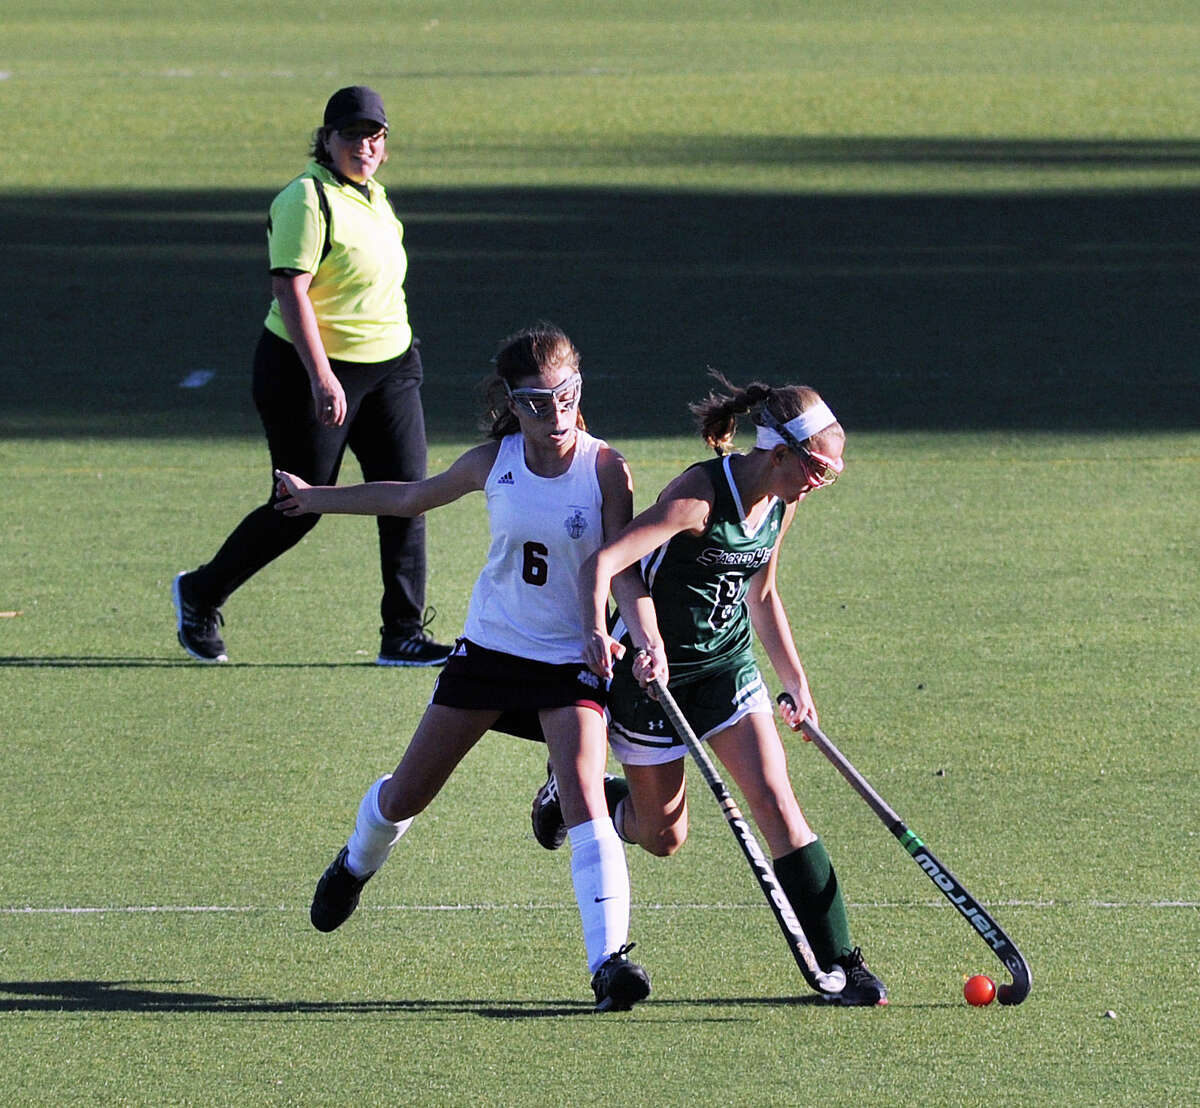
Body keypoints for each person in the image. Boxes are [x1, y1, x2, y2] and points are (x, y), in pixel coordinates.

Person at [274, 324, 652, 1012]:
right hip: (488, 655)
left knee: (586, 798)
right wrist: (314, 495)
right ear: (513, 401)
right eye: (537, 401)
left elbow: (622, 569)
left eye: (567, 395)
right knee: (406, 796)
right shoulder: (493, 461)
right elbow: (410, 497)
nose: (556, 413)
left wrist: (635, 637)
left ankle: (610, 961)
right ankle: (355, 863)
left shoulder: (606, 470)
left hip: (570, 664)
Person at [533, 372, 888, 1006]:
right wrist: (635, 639)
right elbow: (609, 565)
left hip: (726, 671)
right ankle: (578, 799)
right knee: (664, 837)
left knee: (779, 805)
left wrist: (795, 682)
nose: (820, 482)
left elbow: (763, 592)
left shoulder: (784, 499)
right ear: (779, 452)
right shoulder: (697, 499)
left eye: (830, 474)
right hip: (654, 679)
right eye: (818, 469)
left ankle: (841, 963)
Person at [172, 85, 451, 667]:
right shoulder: (305, 198)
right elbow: (289, 289)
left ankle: (401, 633)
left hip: (392, 366)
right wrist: (323, 376)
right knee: (302, 503)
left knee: (407, 496)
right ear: (326, 140)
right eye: (352, 135)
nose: (365, 146)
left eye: (375, 136)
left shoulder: (372, 194)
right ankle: (201, 591)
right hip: (309, 370)